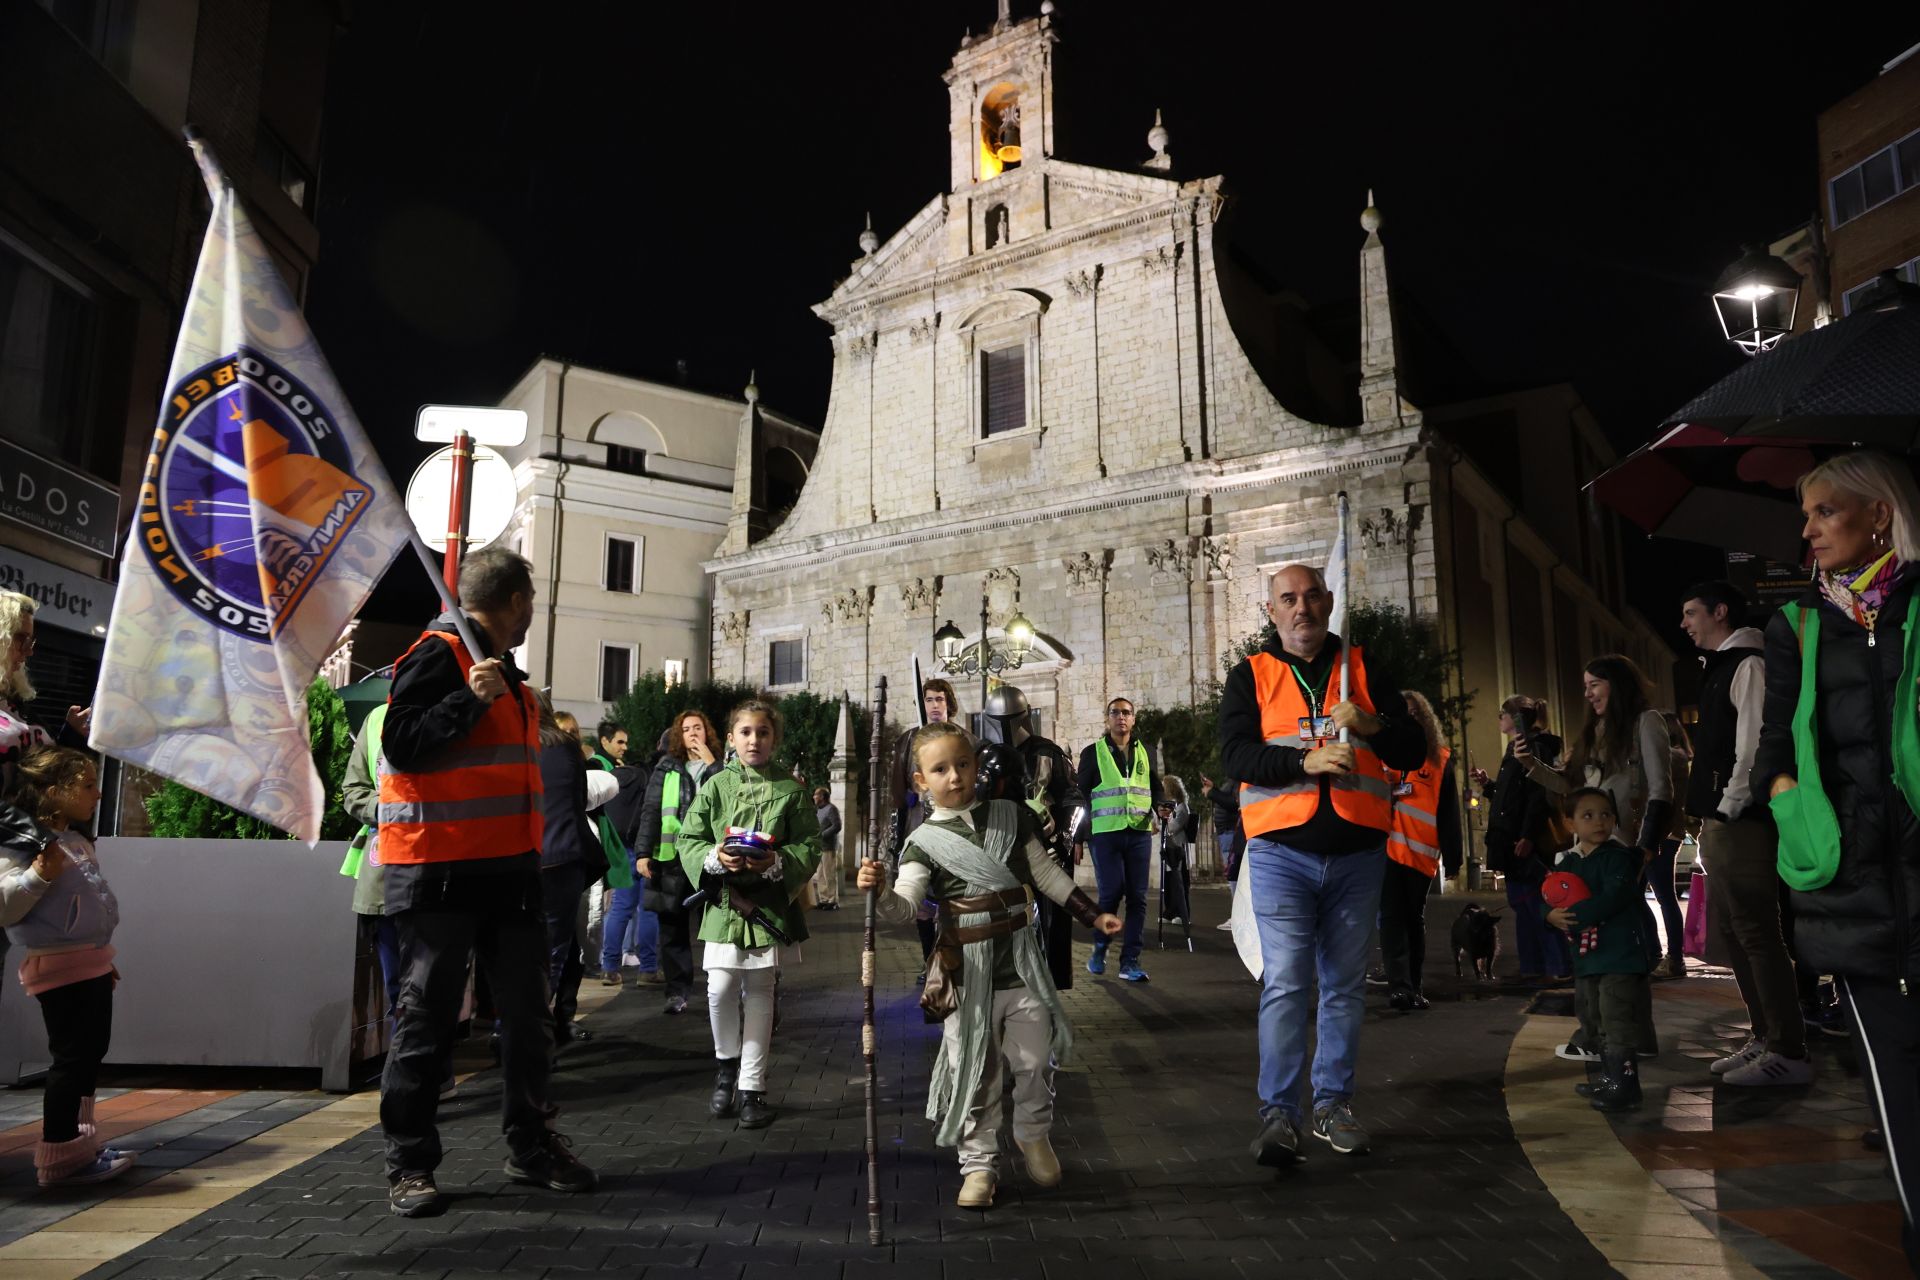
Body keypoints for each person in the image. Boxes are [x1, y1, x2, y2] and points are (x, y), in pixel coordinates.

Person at [377, 547, 594, 1218]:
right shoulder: (439, 655)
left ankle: (529, 1146)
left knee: (529, 1023)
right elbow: (401, 743)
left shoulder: (511, 679)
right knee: (428, 1023)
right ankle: (409, 1163)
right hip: (440, 872)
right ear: (517, 603)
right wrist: (467, 704)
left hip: (508, 877)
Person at [1757, 451, 1920, 1271]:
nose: (1808, 528)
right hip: (1850, 877)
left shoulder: (1918, 605)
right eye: (1807, 513)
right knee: (1895, 1082)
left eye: (1826, 511)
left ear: (1879, 516)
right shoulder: (1797, 625)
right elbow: (1774, 743)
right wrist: (1790, 797)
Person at [857, 722, 1121, 1209]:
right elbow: (906, 906)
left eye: (962, 764)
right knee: (975, 1074)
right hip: (966, 973)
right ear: (921, 781)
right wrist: (878, 892)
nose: (954, 777)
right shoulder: (921, 843)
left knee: (1036, 1061)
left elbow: (1046, 876)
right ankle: (978, 1167)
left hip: (1022, 964)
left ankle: (1032, 1133)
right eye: (940, 769)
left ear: (976, 767)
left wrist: (1092, 914)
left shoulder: (1010, 815)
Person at [1221, 563, 1428, 1164]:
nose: (1301, 608)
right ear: (1272, 612)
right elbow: (1237, 755)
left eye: (1311, 596)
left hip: (1359, 855)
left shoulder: (1362, 670)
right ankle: (1278, 1116)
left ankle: (1333, 1105)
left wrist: (1374, 723)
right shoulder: (1251, 676)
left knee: (1343, 988)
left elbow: (1415, 751)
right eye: (1288, 599)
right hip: (1282, 854)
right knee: (1286, 984)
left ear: (1329, 601)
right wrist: (1302, 764)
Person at [1681, 580, 1810, 1086]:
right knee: (1737, 931)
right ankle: (1765, 1037)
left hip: (1743, 820)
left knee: (1758, 932)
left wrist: (1730, 805)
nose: (1685, 624)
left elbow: (1753, 743)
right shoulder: (1721, 668)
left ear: (1720, 611)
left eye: (1691, 612)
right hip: (1725, 818)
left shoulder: (1747, 664)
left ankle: (1787, 1048)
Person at [679, 699, 820, 1130]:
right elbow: (690, 836)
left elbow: (809, 845)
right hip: (725, 903)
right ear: (733, 737)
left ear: (773, 738)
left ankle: (751, 1087)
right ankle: (726, 1066)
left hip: (768, 906)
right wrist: (715, 856)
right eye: (745, 732)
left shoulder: (792, 791)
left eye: (762, 732)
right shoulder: (715, 785)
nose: (754, 739)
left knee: (760, 992)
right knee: (719, 988)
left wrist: (776, 861)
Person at [0, 747, 134, 1186]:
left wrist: (100, 957)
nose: (97, 795)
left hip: (88, 964)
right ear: (54, 792)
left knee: (89, 1055)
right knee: (72, 1058)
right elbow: (5, 907)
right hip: (59, 968)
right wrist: (39, 875)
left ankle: (80, 1144)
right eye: (88, 786)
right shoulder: (25, 843)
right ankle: (58, 1156)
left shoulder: (72, 838)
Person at [1545, 787, 1655, 1112]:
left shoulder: (1618, 858)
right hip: (1590, 958)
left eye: (1606, 814)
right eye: (1588, 815)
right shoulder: (1570, 862)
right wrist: (1549, 915)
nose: (1599, 821)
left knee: (1616, 1017)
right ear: (1570, 824)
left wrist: (1574, 918)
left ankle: (1625, 1084)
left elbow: (1615, 897)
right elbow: (1551, 895)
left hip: (1619, 956)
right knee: (1595, 1016)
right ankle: (1610, 1078)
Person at [977, 684, 1085, 989]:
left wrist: (1064, 840)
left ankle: (1051, 981)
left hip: (1046, 846)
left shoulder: (1047, 752)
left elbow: (1073, 799)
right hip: (998, 850)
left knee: (1055, 921)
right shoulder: (981, 755)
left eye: (1010, 720)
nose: (1005, 728)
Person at [1473, 695, 1570, 984]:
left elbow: (1537, 796)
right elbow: (1511, 799)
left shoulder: (1531, 749)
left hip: (1525, 842)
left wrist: (1527, 835)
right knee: (1522, 904)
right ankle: (1534, 966)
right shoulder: (1513, 750)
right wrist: (1489, 785)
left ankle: (1557, 965)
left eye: (1502, 713)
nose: (1498, 718)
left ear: (1515, 719)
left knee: (1535, 904)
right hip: (1512, 839)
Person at [539, 707, 618, 1048]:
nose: (572, 736)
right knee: (553, 953)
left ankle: (558, 1021)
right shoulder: (562, 756)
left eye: (574, 731)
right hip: (558, 864)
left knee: (566, 951)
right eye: (566, 731)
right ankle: (533, 1031)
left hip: (561, 865)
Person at [1074, 697, 1165, 982]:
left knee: (1138, 898)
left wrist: (1162, 805)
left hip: (1138, 832)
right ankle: (1100, 948)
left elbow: (1155, 786)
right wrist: (1077, 837)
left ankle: (1130, 962)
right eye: (1115, 712)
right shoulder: (1093, 753)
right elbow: (1080, 796)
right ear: (1108, 719)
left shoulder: (1146, 752)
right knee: (1111, 892)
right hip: (1105, 834)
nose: (1121, 717)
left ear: (1133, 719)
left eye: (1126, 713)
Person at [1380, 692, 1461, 1012]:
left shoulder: (1439, 760)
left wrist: (1453, 857)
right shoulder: (1382, 756)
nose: (1410, 717)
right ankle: (1399, 987)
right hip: (1385, 852)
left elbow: (1449, 813)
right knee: (1390, 920)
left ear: (1425, 719)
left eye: (1415, 713)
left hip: (1420, 855)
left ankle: (1414, 985)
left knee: (1412, 921)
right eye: (1404, 713)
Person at [636, 709, 720, 1015]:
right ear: (678, 735)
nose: (693, 733)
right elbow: (650, 811)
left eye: (698, 727)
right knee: (671, 927)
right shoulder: (666, 768)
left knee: (715, 924)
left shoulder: (720, 766)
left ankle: (719, 984)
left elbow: (731, 796)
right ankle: (677, 991)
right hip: (671, 859)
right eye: (687, 729)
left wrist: (712, 763)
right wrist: (643, 852)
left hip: (710, 858)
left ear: (707, 732)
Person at [892, 679, 963, 966]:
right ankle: (929, 961)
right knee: (922, 902)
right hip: (919, 827)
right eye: (929, 700)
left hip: (955, 829)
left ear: (949, 703)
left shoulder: (963, 738)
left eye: (939, 700)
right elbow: (897, 784)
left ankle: (951, 960)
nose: (934, 706)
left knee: (952, 899)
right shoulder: (909, 740)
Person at [592, 721, 657, 986]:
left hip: (618, 847)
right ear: (604, 741)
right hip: (642, 846)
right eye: (619, 741)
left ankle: (609, 967)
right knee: (648, 909)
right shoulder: (603, 768)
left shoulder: (610, 772)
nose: (624, 747)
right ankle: (649, 969)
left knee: (620, 907)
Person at [1202, 773, 1243, 930]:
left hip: (1230, 831)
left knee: (1234, 876)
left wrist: (1212, 793)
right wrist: (1214, 789)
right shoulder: (1233, 779)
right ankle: (1237, 915)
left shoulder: (1239, 779)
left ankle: (1238, 917)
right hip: (1226, 831)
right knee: (1233, 875)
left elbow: (1234, 803)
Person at [1156, 776, 1194, 926]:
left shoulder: (1182, 808)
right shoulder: (1173, 807)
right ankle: (1169, 911)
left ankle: (1183, 914)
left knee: (1180, 883)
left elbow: (1172, 827)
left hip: (1179, 850)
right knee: (1169, 883)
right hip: (1170, 849)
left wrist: (1167, 817)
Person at [811, 787, 843, 910]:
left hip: (828, 847)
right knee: (820, 875)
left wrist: (822, 835)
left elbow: (837, 826)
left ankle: (833, 900)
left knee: (829, 874)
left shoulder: (831, 809)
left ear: (822, 797)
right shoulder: (819, 810)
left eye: (816, 795)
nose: (814, 797)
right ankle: (823, 899)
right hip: (819, 847)